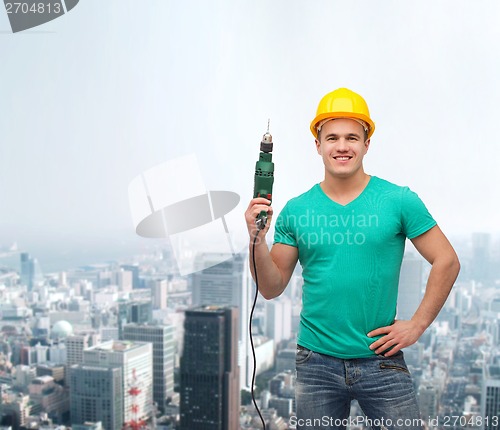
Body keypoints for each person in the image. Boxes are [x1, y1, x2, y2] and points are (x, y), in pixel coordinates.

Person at [244, 88, 460, 430]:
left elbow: (447, 260)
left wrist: (417, 324)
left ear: (366, 143)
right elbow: (271, 287)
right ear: (318, 144)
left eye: (351, 137)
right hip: (315, 365)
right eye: (331, 137)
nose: (341, 146)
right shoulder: (296, 210)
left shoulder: (399, 200)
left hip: (381, 360)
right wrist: (256, 238)